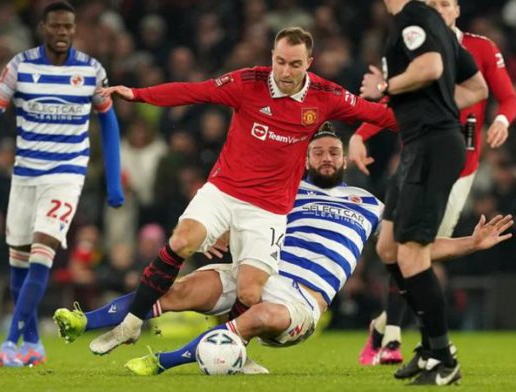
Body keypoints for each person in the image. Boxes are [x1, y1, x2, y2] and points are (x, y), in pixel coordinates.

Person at [52, 127, 513, 376]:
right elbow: (242, 219)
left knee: (261, 317)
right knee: (179, 289)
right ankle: (86, 321)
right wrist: (221, 234)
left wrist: (471, 242)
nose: (328, 159)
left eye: (334, 152)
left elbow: (415, 249)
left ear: (345, 159)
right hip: (258, 270)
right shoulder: (284, 191)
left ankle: (162, 362)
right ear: (307, 160)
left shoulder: (370, 204)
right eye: (319, 154)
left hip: (300, 299)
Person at [87, 27, 397, 356]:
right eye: (280, 61)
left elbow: (383, 116)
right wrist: (137, 94)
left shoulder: (326, 95)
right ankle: (131, 324)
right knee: (182, 240)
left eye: (294, 64)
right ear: (272, 58)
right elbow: (194, 92)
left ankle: (233, 351)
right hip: (224, 190)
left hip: (268, 209)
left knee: (250, 294)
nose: (285, 71)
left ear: (309, 62)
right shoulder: (248, 82)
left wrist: (431, 110)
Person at [353, 0, 516, 368]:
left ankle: (417, 343)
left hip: (446, 157)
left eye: (445, 3)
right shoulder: (428, 33)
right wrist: (360, 133)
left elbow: (497, 93)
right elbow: (468, 88)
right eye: (434, 3)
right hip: (417, 149)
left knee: (414, 251)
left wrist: (503, 120)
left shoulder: (440, 34)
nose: (438, 8)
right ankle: (393, 330)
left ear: (457, 10)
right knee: (388, 246)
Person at [0, 1, 124, 367]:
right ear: (43, 27)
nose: (62, 32)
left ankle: (10, 342)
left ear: (74, 29)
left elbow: (108, 122)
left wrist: (113, 181)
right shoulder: (20, 66)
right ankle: (34, 344)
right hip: (25, 175)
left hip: (66, 175)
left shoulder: (91, 70)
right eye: (56, 26)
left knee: (43, 253)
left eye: (68, 27)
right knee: (18, 264)